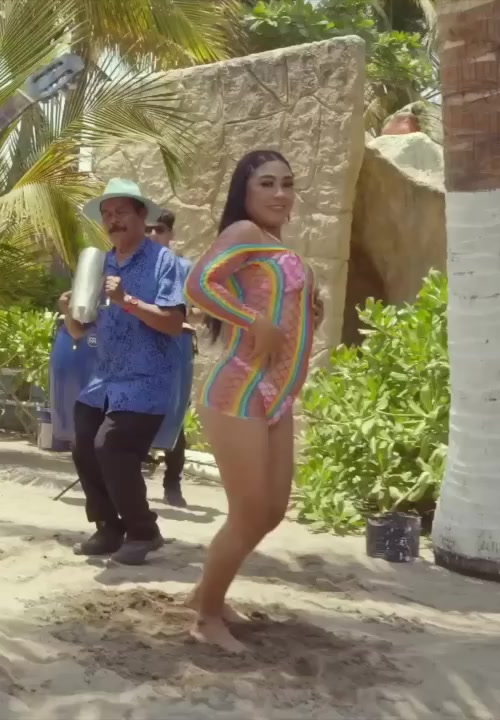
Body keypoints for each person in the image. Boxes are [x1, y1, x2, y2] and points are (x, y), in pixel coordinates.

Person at [183, 149, 322, 653]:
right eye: (267, 183)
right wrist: (252, 320)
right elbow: (199, 282)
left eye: (288, 183)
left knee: (272, 510)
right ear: (244, 190)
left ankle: (206, 593)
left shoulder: (274, 245)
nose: (281, 193)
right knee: (247, 512)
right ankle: (205, 618)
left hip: (277, 395)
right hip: (240, 389)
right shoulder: (243, 232)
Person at [57, 178, 186, 565]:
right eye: (108, 214)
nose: (113, 220)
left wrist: (126, 299)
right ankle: (108, 528)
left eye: (121, 212)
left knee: (110, 446)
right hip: (105, 381)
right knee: (83, 443)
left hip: (147, 381)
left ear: (142, 216)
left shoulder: (164, 262)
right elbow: (79, 330)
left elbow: (173, 324)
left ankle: (143, 530)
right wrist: (69, 310)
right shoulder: (98, 263)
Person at [146, 209, 193, 508]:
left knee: (174, 415)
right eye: (148, 229)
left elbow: (197, 311)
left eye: (160, 230)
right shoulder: (131, 266)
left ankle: (172, 483)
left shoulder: (185, 268)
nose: (153, 235)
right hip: (138, 348)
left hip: (175, 347)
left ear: (170, 234)